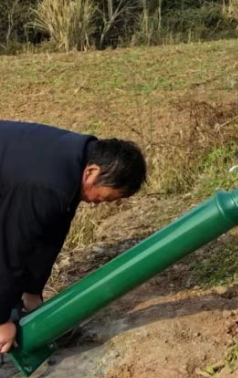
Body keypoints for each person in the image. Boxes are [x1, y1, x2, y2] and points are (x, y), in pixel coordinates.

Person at [0, 121, 147, 354]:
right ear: (92, 172)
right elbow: (11, 247)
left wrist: (32, 290)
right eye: (105, 198)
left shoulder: (76, 160)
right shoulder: (48, 186)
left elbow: (51, 234)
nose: (100, 204)